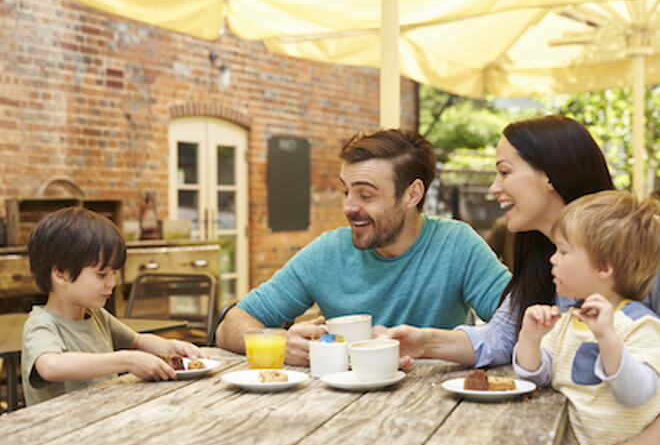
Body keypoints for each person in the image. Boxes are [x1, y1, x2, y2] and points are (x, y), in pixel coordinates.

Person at [379, 115, 660, 445]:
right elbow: (500, 337)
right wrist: (424, 343)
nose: (493, 188)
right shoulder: (545, 258)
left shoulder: (644, 253)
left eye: (505, 172)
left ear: (550, 175)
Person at [215, 128, 511, 365]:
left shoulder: (456, 244)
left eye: (366, 195)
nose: (348, 207)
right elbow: (230, 325)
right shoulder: (327, 252)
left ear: (412, 194)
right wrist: (278, 344)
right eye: (346, 191)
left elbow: (517, 321)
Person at [513, 190, 660, 445]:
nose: (553, 259)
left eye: (564, 251)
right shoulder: (569, 321)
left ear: (604, 267)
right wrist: (530, 339)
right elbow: (536, 378)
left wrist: (607, 337)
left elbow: (637, 393)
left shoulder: (642, 325)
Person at [22, 207, 205, 406]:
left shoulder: (97, 316)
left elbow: (137, 340)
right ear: (61, 274)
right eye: (102, 275)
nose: (112, 283)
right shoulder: (42, 325)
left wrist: (170, 346)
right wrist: (127, 360)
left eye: (114, 273)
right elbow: (50, 366)